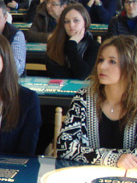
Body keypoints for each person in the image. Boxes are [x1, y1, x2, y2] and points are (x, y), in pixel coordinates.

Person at [57, 35, 137, 168]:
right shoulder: (83, 97)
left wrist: (88, 154)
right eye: (100, 60)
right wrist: (114, 158)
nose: (102, 66)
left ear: (130, 66)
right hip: (86, 180)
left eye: (112, 61)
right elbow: (65, 147)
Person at [46, 4, 100, 80]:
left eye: (76, 21)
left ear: (85, 22)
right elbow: (56, 75)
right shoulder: (54, 44)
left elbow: (83, 75)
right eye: (66, 21)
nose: (71, 25)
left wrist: (71, 44)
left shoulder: (94, 46)